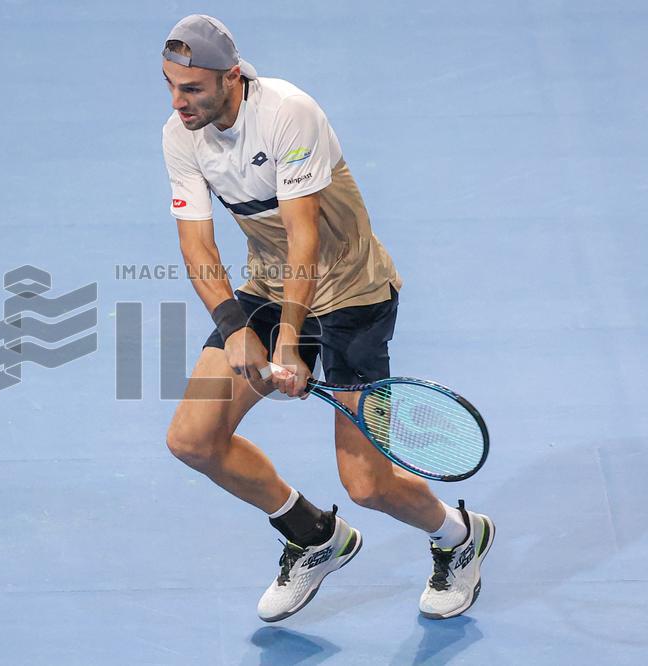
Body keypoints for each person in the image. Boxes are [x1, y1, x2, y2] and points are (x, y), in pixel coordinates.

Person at [159, 14, 494, 622]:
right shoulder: (181, 135)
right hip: (269, 286)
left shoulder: (288, 111)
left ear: (232, 77)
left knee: (368, 486)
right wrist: (239, 329)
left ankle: (459, 535)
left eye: (193, 89)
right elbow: (198, 250)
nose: (179, 102)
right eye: (171, 86)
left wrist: (288, 341)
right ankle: (314, 535)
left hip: (354, 299)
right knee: (193, 440)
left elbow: (303, 235)